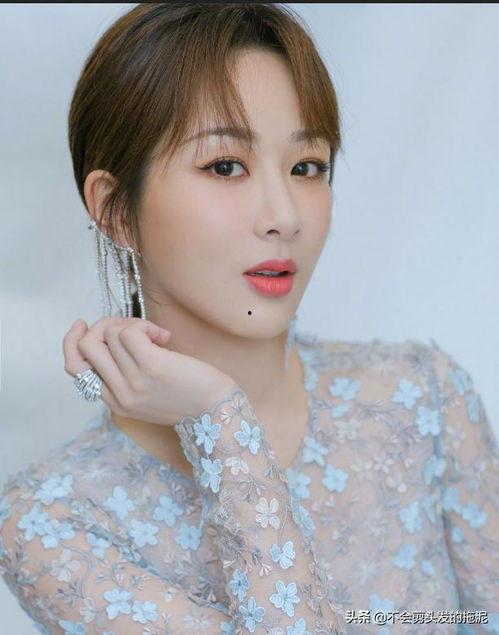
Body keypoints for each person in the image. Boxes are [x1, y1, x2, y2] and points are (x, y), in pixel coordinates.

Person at [1, 3, 498, 634]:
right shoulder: (53, 522)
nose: (284, 215)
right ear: (115, 209)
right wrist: (219, 419)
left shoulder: (420, 398)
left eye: (306, 167)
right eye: (225, 166)